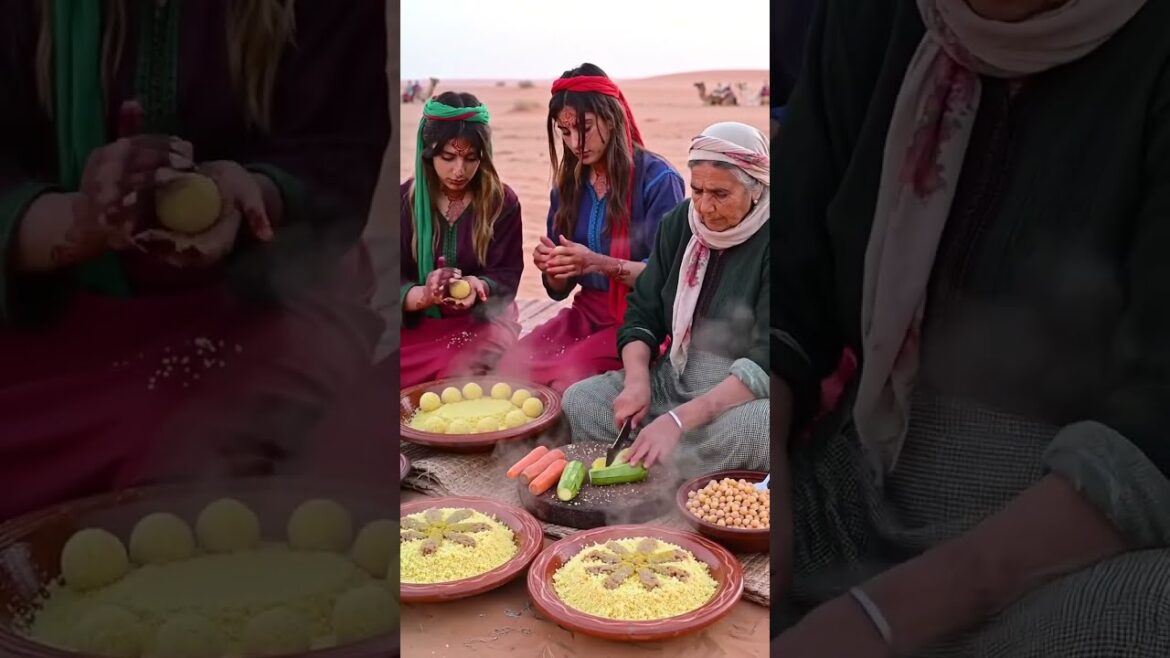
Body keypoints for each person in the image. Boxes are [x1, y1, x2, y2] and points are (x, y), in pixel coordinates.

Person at [774, 0, 1170, 656]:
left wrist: (882, 618)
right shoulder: (871, 19)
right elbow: (787, 283)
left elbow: (1158, 424)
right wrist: (769, 486)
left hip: (1067, 542)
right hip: (855, 479)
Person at [0, 0, 389, 521]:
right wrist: (80, 222)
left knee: (189, 464)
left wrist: (248, 196)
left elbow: (337, 155)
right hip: (47, 299)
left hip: (269, 298)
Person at [562, 122, 769, 479]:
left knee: (762, 426)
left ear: (757, 188)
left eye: (720, 194)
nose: (705, 207)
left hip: (735, 394)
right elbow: (643, 313)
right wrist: (637, 381)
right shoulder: (679, 224)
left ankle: (655, 467)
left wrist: (678, 420)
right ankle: (678, 467)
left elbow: (770, 356)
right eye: (697, 190)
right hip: (672, 377)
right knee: (580, 400)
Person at [495, 63, 685, 392]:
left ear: (611, 119)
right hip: (587, 314)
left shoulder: (659, 180)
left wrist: (596, 263)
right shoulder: (568, 186)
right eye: (564, 131)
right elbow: (559, 289)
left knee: (565, 380)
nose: (574, 142)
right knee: (509, 366)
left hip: (643, 321)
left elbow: (667, 278)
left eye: (583, 128)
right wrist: (556, 267)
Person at [399, 92, 523, 387]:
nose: (459, 170)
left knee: (462, 373)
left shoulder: (501, 202)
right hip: (420, 323)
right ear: (428, 152)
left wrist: (478, 286)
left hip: (483, 322)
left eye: (470, 159)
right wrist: (425, 295)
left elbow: (507, 274)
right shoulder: (403, 202)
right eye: (448, 157)